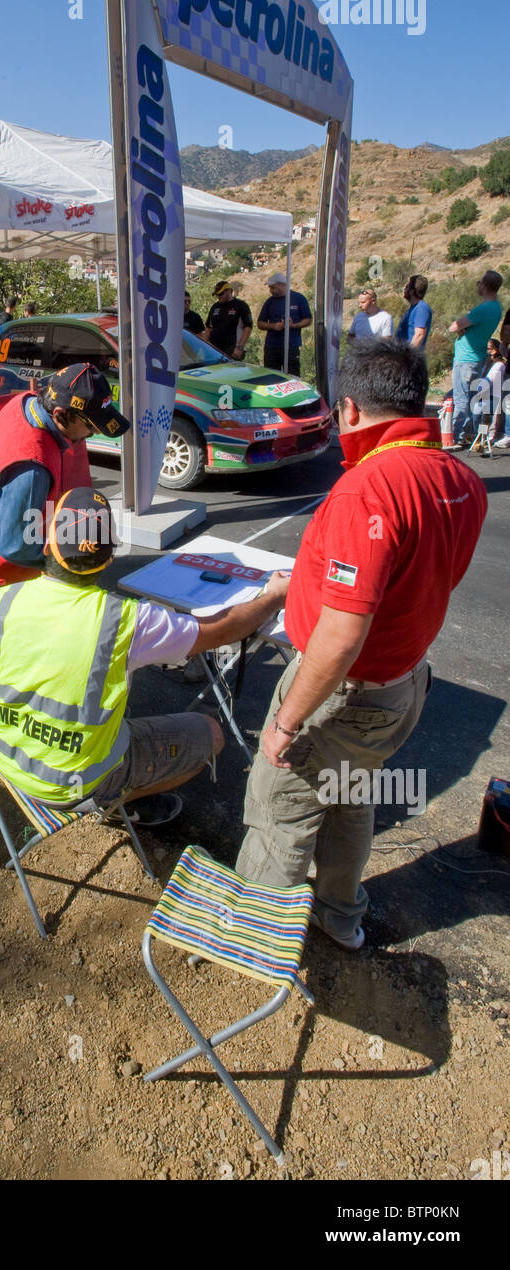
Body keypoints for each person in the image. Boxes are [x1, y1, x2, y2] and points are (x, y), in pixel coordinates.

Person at [235, 338, 487, 950]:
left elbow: (342, 636)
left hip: (343, 694)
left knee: (280, 810)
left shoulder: (368, 489)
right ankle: (340, 916)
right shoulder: (460, 478)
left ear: (349, 410)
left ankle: (253, 944)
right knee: (349, 799)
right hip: (401, 686)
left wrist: (286, 722)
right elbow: (423, 575)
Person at [0, 486, 291, 826]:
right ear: (109, 557)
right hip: (70, 785)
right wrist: (273, 597)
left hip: (0, 752)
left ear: (48, 545)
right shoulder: (126, 621)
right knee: (211, 733)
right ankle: (112, 803)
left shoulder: (3, 601)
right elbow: (221, 630)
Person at [0, 363, 125, 594]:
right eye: (90, 425)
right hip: (6, 575)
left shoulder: (27, 401)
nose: (95, 432)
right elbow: (14, 546)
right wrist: (66, 567)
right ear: (60, 415)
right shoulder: (31, 468)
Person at [448, 270, 503, 448]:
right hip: (477, 357)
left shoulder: (482, 309)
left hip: (466, 359)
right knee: (470, 397)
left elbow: (454, 327)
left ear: (485, 286)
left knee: (461, 398)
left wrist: (460, 327)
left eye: (480, 282)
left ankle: (455, 436)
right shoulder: (496, 308)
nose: (478, 285)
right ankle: (465, 433)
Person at [257, 273, 312, 375]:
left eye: (273, 288)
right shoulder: (269, 302)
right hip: (272, 346)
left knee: (292, 376)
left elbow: (308, 320)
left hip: (291, 345)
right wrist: (274, 326)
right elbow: (260, 323)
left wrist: (294, 326)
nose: (271, 291)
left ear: (283, 285)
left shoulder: (299, 298)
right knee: (271, 377)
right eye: (270, 288)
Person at [471, 337, 507, 452]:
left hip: (491, 397)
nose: (486, 351)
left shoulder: (499, 365)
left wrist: (477, 389)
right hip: (483, 395)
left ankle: (482, 439)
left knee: (481, 414)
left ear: (494, 350)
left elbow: (489, 380)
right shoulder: (487, 363)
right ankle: (478, 438)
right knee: (477, 413)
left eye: (488, 348)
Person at [202, 280, 252, 360]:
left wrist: (240, 347)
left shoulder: (241, 305)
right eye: (217, 295)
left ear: (229, 291)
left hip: (232, 349)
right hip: (214, 349)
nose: (219, 297)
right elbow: (208, 327)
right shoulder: (215, 306)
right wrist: (204, 347)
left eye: (221, 294)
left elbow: (248, 327)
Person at [395, 274, 432, 351]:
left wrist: (408, 356)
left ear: (411, 291)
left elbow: (419, 335)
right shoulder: (413, 308)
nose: (404, 289)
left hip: (409, 359)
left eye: (407, 287)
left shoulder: (421, 308)